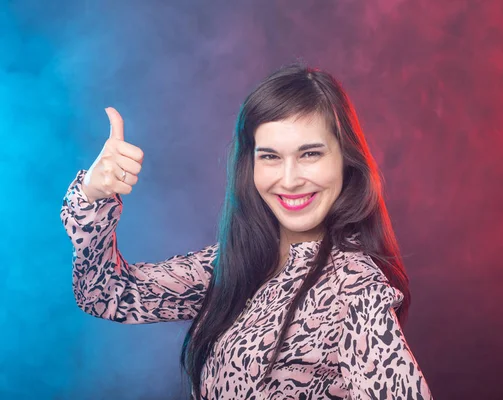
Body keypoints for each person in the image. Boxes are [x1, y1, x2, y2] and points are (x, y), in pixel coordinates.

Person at [61, 63, 434, 399]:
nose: (289, 180)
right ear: (249, 165)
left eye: (310, 154)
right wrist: (94, 194)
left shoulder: (355, 287)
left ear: (346, 160)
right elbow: (105, 293)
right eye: (270, 156)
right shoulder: (234, 265)